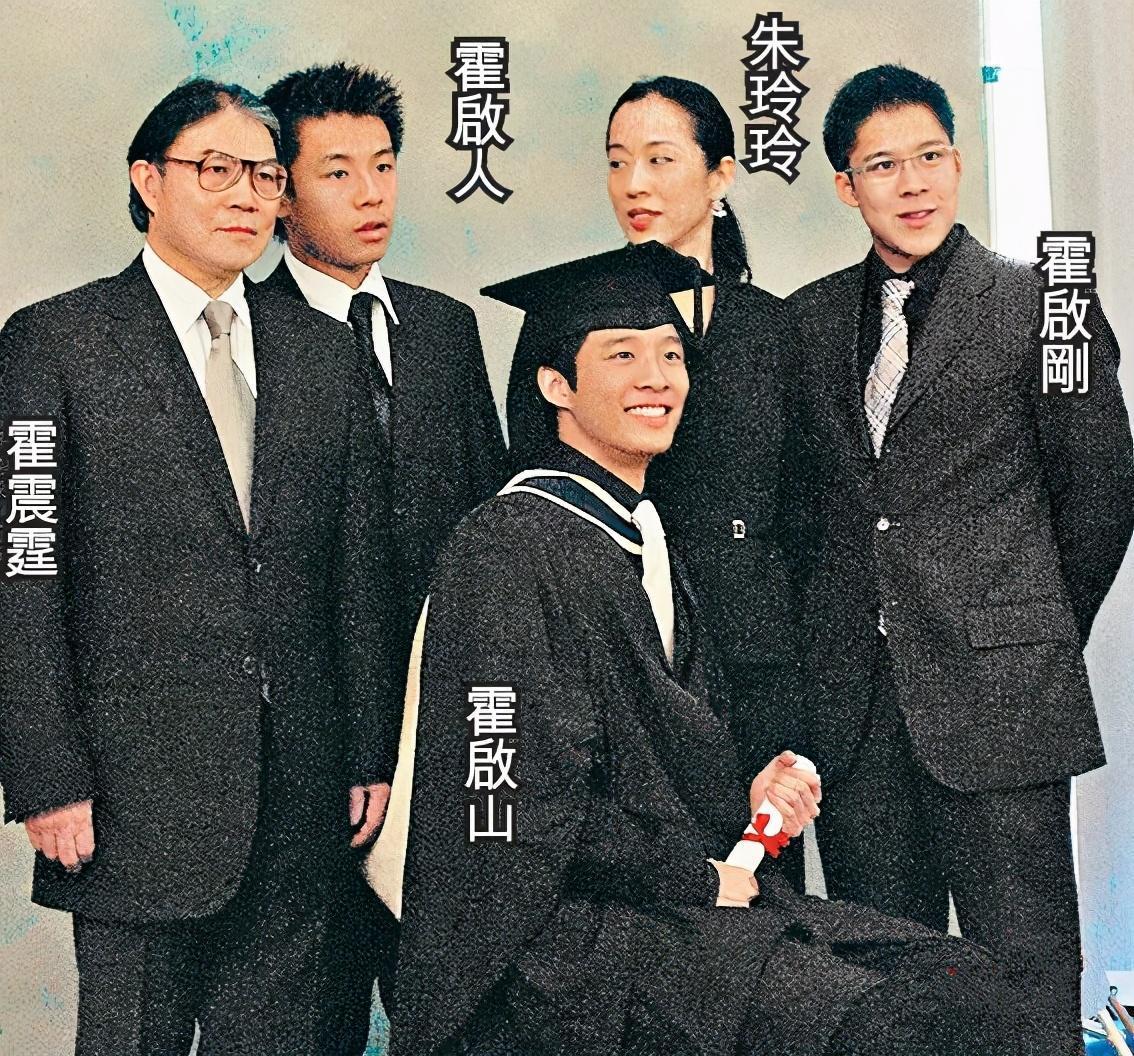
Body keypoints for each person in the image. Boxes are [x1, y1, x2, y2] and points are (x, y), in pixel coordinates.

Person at [392, 245, 1026, 1056]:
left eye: (670, 355)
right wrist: (698, 878)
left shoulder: (640, 536)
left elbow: (658, 758)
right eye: (622, 356)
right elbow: (513, 815)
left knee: (968, 985)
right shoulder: (508, 549)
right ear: (556, 386)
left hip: (664, 902)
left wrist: (749, 792)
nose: (657, 378)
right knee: (873, 1022)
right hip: (562, 945)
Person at [0, 79, 396, 1055]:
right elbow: (23, 574)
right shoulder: (57, 343)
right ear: (148, 180)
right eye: (216, 169)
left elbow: (355, 572)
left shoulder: (323, 353)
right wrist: (45, 774)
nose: (245, 195)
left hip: (301, 792)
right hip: (128, 794)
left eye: (264, 175)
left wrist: (367, 753)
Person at [783, 64, 1134, 1055]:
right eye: (883, 165)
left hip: (1005, 704)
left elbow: (1101, 495)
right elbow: (812, 515)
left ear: (958, 161)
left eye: (930, 155)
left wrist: (1022, 631)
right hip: (859, 711)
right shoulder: (809, 321)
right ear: (846, 185)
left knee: (1024, 978)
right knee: (882, 987)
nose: (914, 183)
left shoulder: (1046, 302)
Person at [504, 74, 800, 826]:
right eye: (617, 161)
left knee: (761, 877)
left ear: (720, 176)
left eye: (660, 159)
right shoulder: (570, 317)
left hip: (754, 661)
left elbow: (812, 515)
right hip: (619, 651)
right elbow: (538, 492)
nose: (633, 183)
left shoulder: (775, 330)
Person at [260, 61, 507, 665]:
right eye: (338, 173)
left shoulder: (445, 328)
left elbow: (488, 509)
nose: (371, 193)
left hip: (441, 662)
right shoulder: (249, 331)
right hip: (309, 675)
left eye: (383, 165)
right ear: (282, 193)